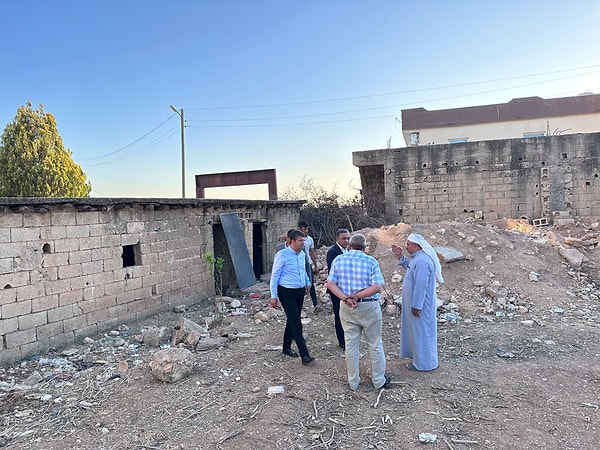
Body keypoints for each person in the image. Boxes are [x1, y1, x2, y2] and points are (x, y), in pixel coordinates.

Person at [327, 233, 390, 390]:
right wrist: (358, 295)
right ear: (364, 247)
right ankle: (378, 380)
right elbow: (376, 287)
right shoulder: (371, 261)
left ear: (350, 246)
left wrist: (346, 298)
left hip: (347, 307)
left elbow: (331, 284)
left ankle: (353, 382)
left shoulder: (339, 260)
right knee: (375, 344)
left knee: (351, 344)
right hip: (369, 306)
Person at [392, 233, 444, 372]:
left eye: (408, 244)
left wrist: (417, 306)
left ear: (416, 246)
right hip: (416, 304)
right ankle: (419, 360)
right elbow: (410, 266)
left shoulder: (422, 261)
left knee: (423, 332)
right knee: (417, 332)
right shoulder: (417, 259)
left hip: (421, 305)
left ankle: (424, 364)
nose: (406, 246)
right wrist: (400, 257)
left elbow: (421, 285)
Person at [269, 229, 316, 366]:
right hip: (286, 291)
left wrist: (307, 283)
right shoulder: (282, 255)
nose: (303, 243)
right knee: (296, 322)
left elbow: (303, 270)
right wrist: (274, 296)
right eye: (300, 241)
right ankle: (305, 355)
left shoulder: (301, 254)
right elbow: (275, 276)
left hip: (299, 291)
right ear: (291, 241)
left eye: (304, 240)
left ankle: (286, 347)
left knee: (292, 318)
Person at [326, 228, 351, 351]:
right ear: (337, 239)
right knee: (339, 315)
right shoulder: (333, 252)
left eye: (348, 238)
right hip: (337, 289)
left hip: (347, 289)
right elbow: (334, 272)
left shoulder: (348, 251)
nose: (346, 240)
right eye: (343, 238)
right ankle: (342, 341)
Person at [298, 221, 319, 310]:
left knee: (310, 283)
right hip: (298, 265)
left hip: (308, 264)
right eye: (304, 229)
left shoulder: (309, 240)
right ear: (300, 229)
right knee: (300, 284)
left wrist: (315, 265)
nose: (306, 231)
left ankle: (316, 304)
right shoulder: (295, 239)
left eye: (307, 229)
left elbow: (312, 252)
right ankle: (300, 304)